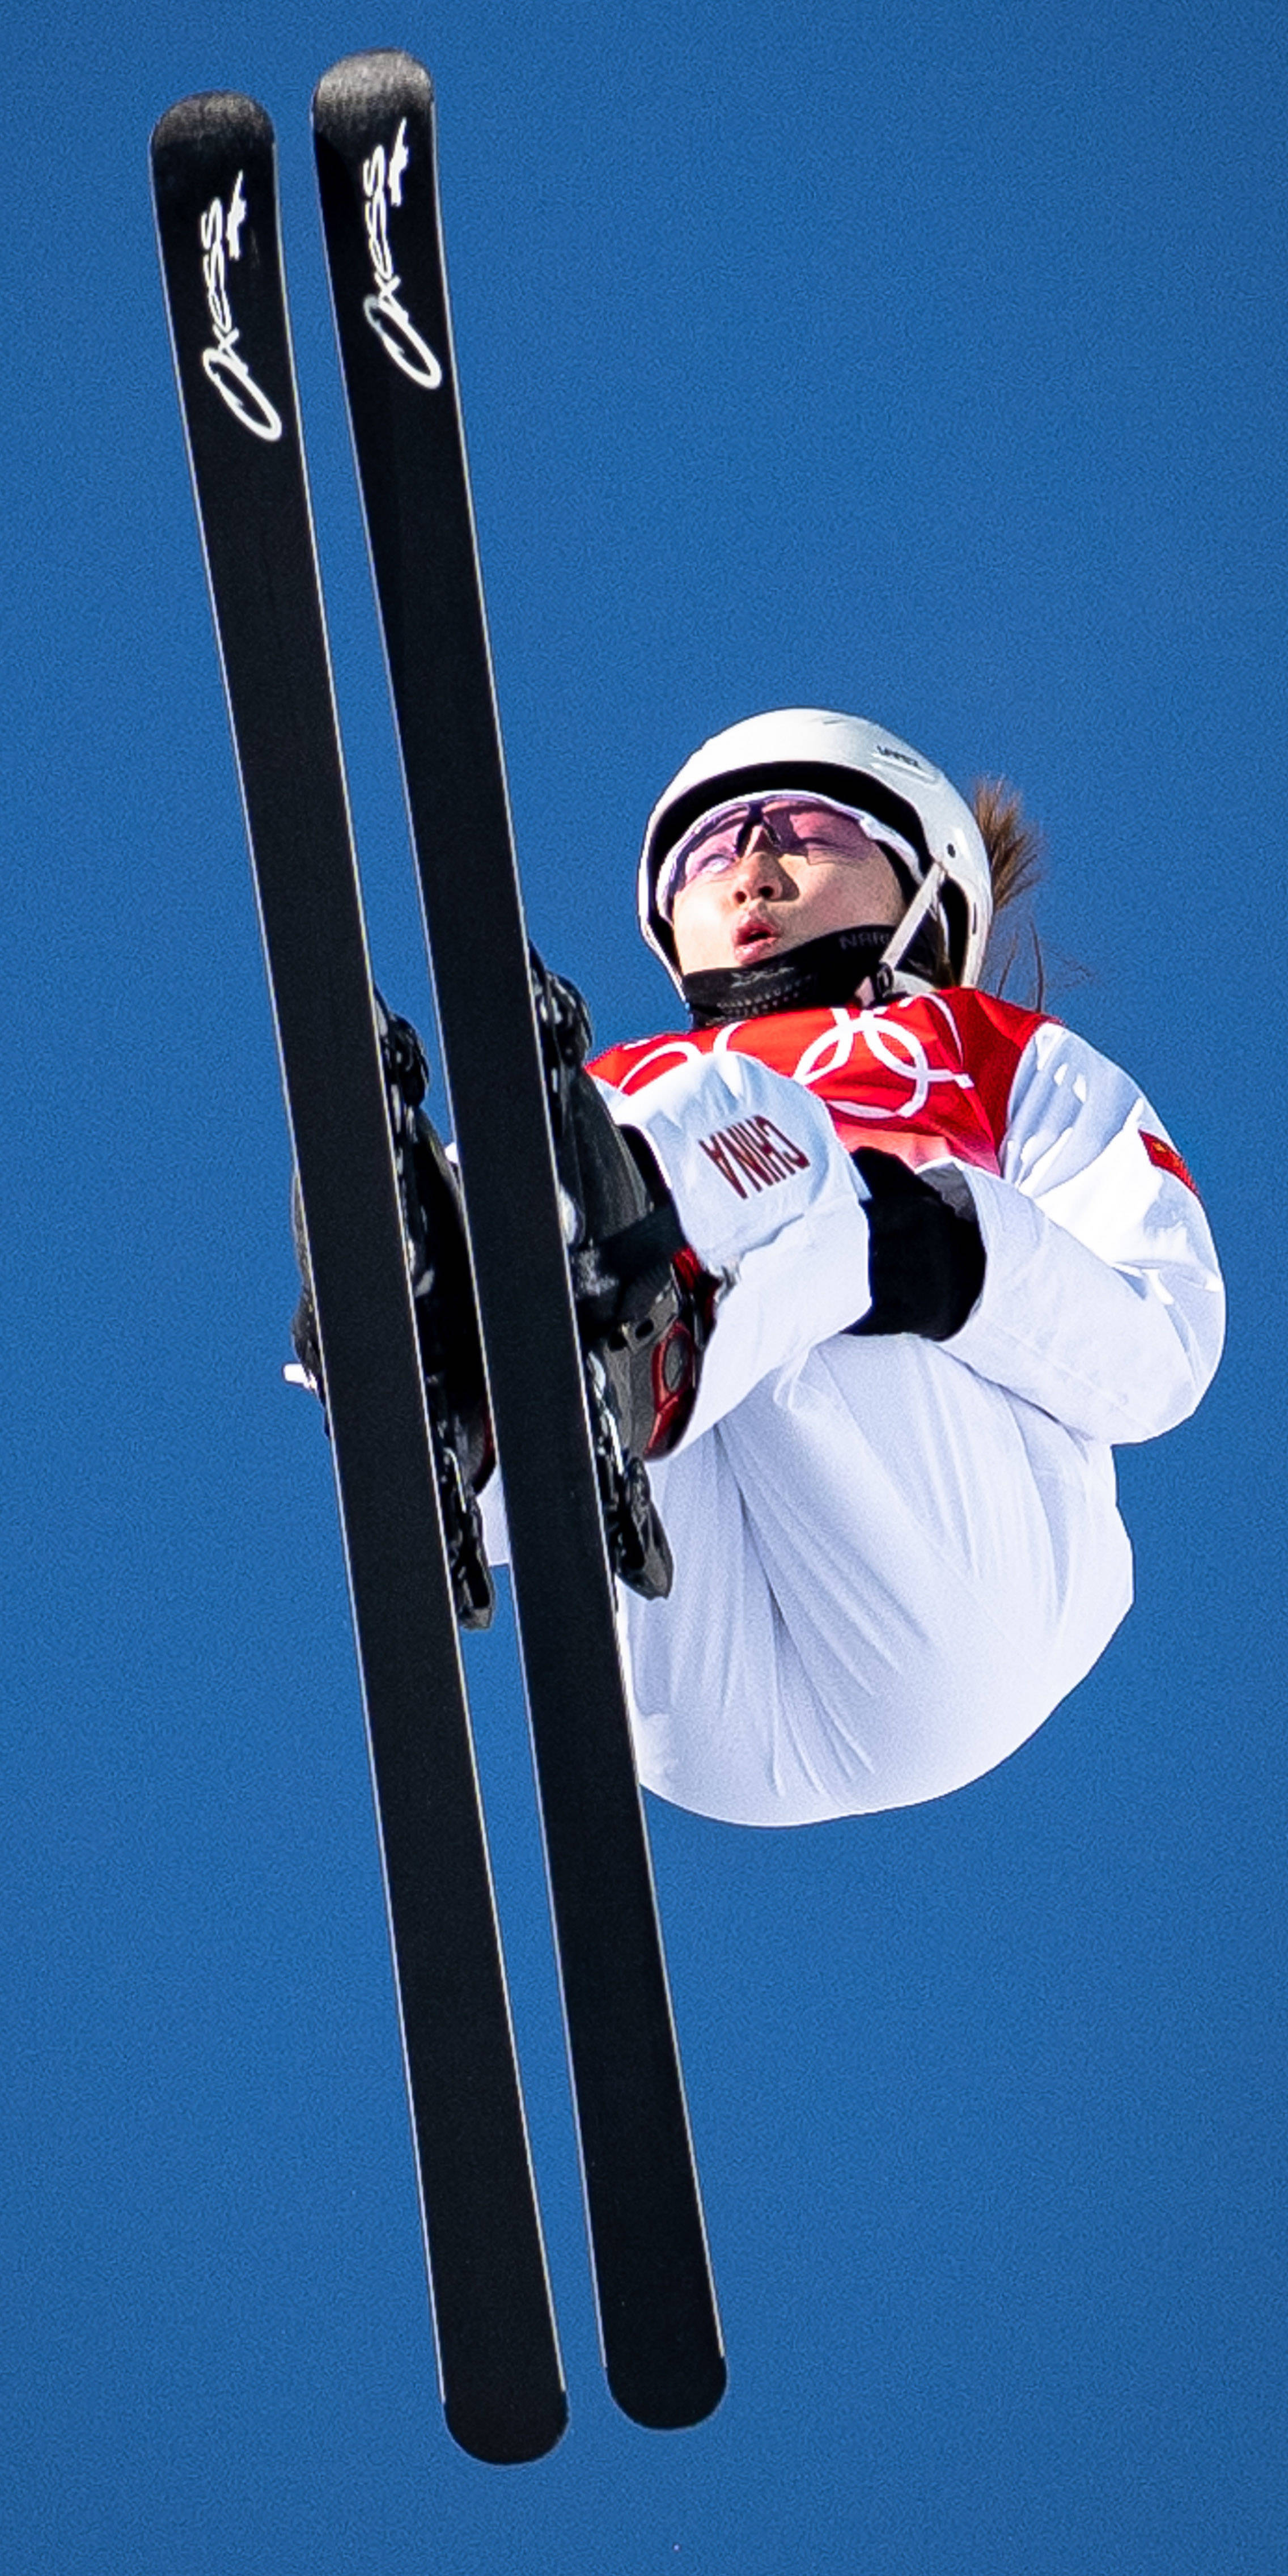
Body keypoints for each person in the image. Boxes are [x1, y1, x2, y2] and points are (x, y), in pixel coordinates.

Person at [297, 707, 1223, 1831]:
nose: (753, 868)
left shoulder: (987, 1052)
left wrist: (931, 1248)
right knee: (568, 1164)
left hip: (961, 1603)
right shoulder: (621, 1090)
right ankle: (476, 1396)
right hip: (690, 1689)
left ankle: (632, 1338)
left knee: (736, 1120)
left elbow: (1161, 1334)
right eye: (710, 853)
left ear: (920, 888)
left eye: (806, 831)